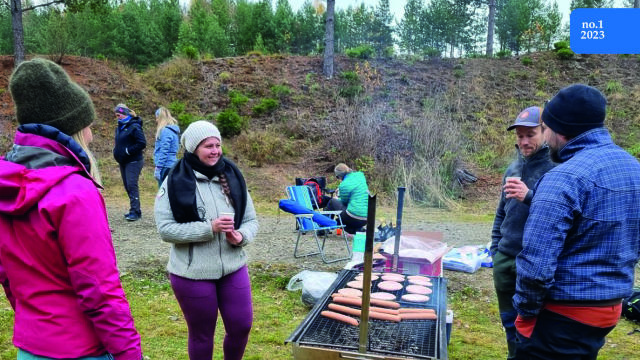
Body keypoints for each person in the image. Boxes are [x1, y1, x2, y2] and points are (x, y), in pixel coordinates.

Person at [0, 58, 142, 360]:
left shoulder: (6, 185)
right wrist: (130, 354)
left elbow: (7, 275)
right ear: (72, 127)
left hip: (31, 349)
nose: (91, 132)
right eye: (86, 124)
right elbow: (100, 291)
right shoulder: (75, 192)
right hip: (81, 350)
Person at [513, 84, 640, 359]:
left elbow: (536, 264)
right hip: (609, 309)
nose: (544, 137)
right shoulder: (635, 169)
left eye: (545, 129)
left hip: (563, 313)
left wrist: (525, 311)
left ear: (560, 129)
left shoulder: (564, 177)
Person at [154, 120, 259, 360]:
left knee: (241, 326)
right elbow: (166, 230)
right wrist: (208, 228)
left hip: (233, 267)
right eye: (207, 146)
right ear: (193, 149)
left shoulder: (232, 176)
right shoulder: (174, 181)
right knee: (202, 335)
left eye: (217, 145)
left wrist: (240, 236)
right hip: (193, 273)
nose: (215, 151)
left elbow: (252, 220)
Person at [490, 106, 556, 359]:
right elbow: (501, 212)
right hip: (505, 259)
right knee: (509, 322)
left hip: (533, 262)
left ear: (545, 131)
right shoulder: (513, 168)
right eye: (519, 136)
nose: (524, 141)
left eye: (530, 134)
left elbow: (558, 215)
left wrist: (529, 196)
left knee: (534, 326)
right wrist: (496, 249)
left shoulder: (556, 169)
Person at [113, 103, 146, 221]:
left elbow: (142, 143)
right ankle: (135, 209)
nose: (117, 117)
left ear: (125, 114)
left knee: (132, 185)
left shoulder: (134, 126)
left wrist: (127, 151)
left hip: (134, 161)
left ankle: (135, 212)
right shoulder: (119, 127)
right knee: (127, 186)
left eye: (119, 115)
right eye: (116, 115)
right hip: (123, 161)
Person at [325, 163, 369, 234]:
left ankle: (323, 228)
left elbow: (344, 202)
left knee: (332, 202)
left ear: (340, 176)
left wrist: (337, 197)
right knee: (340, 220)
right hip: (366, 218)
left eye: (337, 177)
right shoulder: (360, 176)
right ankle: (357, 230)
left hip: (353, 217)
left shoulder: (344, 185)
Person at [153, 106, 180, 187]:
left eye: (157, 118)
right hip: (172, 165)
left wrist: (158, 168)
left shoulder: (165, 131)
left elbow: (164, 151)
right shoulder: (173, 131)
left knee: (163, 193)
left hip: (165, 167)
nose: (156, 120)